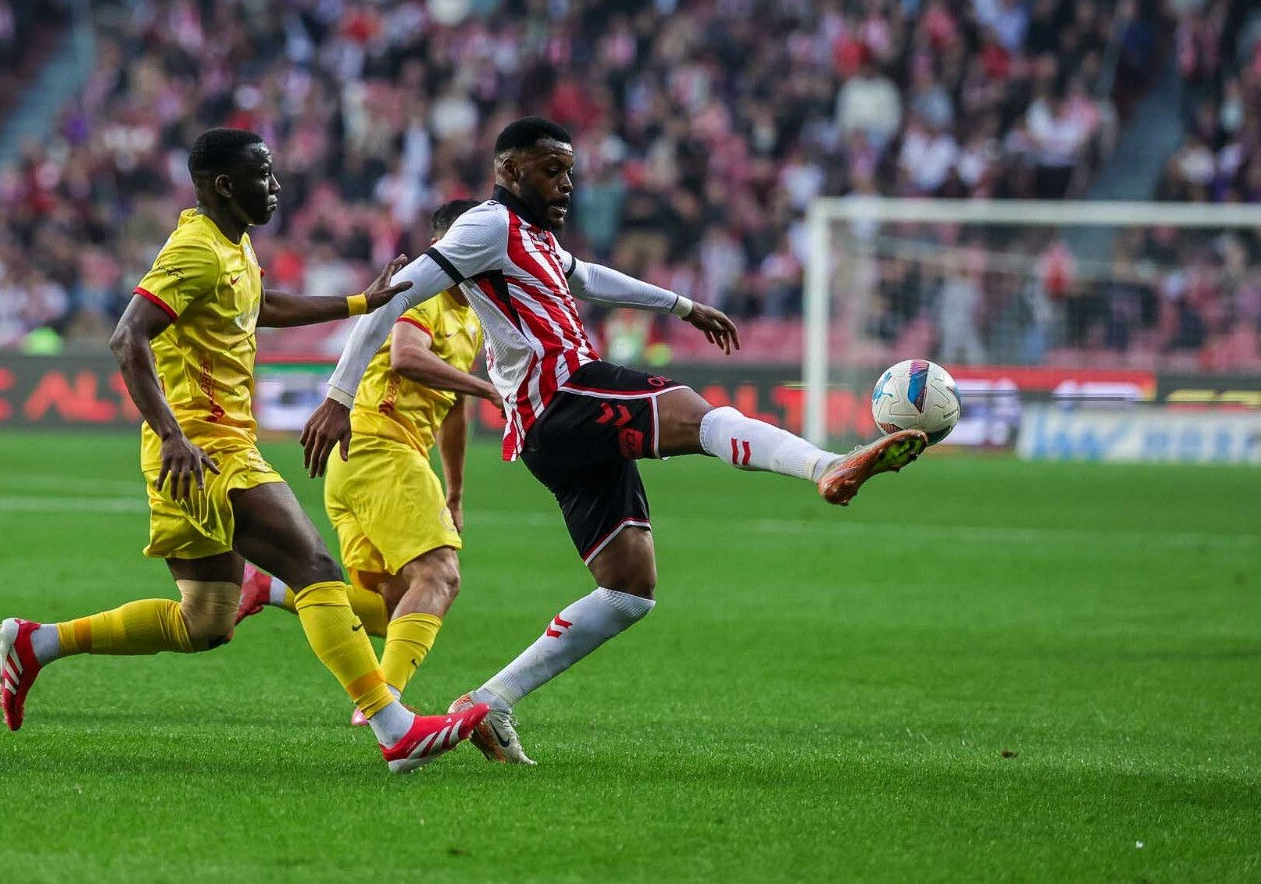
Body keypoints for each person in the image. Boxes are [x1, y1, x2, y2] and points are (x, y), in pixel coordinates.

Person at [300, 117, 928, 764]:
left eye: (570, 170)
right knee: (692, 413)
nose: (567, 183)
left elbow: (589, 277)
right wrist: (340, 397)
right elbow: (389, 299)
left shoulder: (535, 239)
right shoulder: (487, 225)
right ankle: (828, 465)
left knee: (628, 588)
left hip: (551, 426)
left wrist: (681, 306)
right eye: (552, 170)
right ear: (511, 170)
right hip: (563, 394)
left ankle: (488, 703)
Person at [0, 129, 488, 773]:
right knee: (314, 566)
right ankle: (395, 728)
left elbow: (262, 305)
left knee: (205, 624)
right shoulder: (196, 250)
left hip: (210, 447)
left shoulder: (234, 245)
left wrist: (360, 301)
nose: (275, 185)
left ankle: (38, 643)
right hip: (205, 447)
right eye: (263, 174)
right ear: (224, 184)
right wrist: (173, 435)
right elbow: (127, 338)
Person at [237, 199, 502, 730]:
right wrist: (485, 384)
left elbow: (453, 410)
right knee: (440, 577)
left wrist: (455, 491)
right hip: (382, 449)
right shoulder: (423, 292)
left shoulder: (470, 315)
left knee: (395, 602)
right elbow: (406, 356)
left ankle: (272, 588)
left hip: (362, 463)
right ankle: (386, 705)